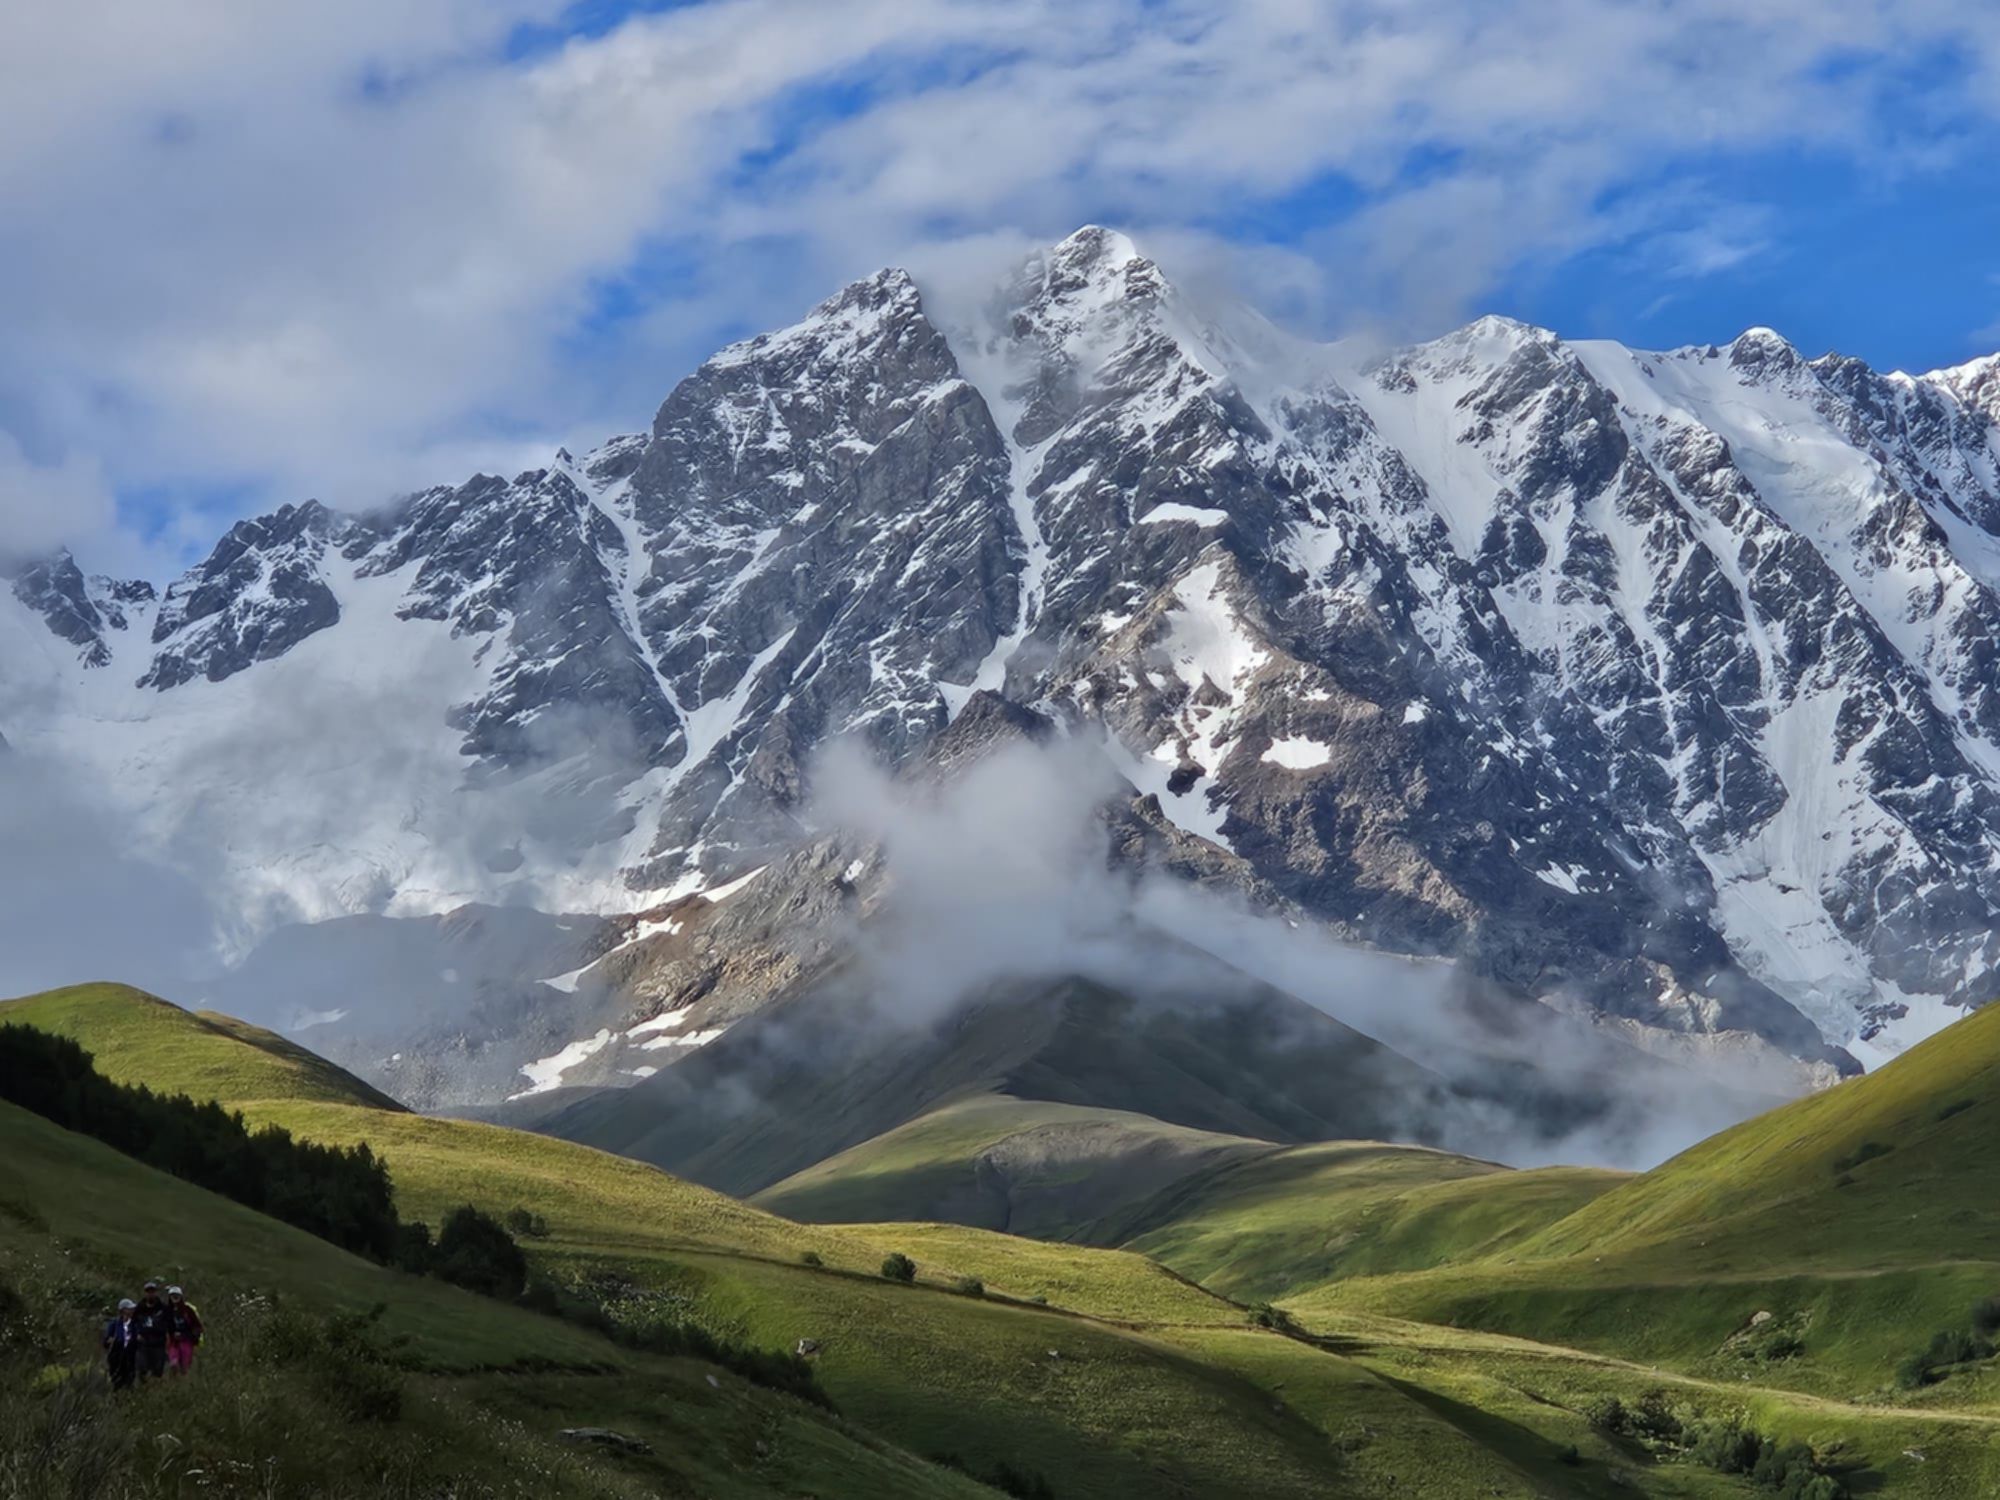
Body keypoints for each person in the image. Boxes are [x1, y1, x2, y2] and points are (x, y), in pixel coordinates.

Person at [131, 1280, 172, 1382]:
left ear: (156, 1293)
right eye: (148, 1292)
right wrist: (136, 1334)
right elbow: (132, 1323)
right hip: (143, 1343)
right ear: (145, 1293)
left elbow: (170, 1323)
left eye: (152, 1291)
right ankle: (143, 1389)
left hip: (158, 1343)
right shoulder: (139, 1308)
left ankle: (154, 1391)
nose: (150, 1294)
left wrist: (168, 1337)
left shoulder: (163, 1308)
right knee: (142, 1369)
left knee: (157, 1371)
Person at [164, 1285, 203, 1375]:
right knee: (173, 1364)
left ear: (181, 1297)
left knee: (185, 1367)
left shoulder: (188, 1310)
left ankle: (183, 1384)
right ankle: (174, 1382)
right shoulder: (167, 1311)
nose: (175, 1297)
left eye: (177, 1295)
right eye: (172, 1295)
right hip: (173, 1342)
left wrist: (191, 1335)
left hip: (186, 1341)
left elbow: (198, 1326)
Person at [102, 1299, 140, 1390]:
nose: (132, 1311)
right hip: (116, 1356)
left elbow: (137, 1340)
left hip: (130, 1357)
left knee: (129, 1381)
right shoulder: (114, 1324)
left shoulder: (134, 1324)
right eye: (129, 1309)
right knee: (117, 1381)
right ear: (123, 1310)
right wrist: (110, 1341)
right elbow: (106, 1341)